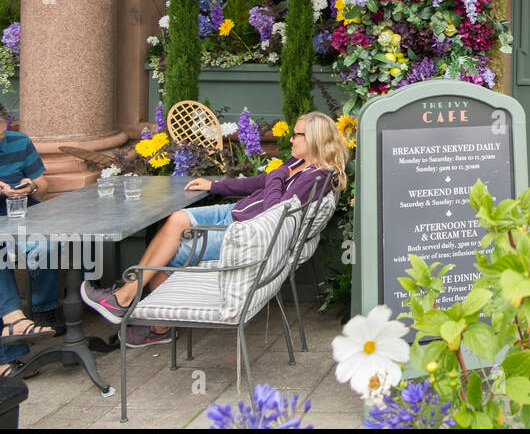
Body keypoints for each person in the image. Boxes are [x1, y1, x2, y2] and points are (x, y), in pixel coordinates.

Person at [80, 112, 348, 347]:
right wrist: (214, 186)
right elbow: (259, 183)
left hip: (240, 231)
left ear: (313, 138)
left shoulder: (316, 178)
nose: (291, 140)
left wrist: (276, 176)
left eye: (297, 135)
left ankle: (149, 318)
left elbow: (273, 212)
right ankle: (128, 298)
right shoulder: (297, 163)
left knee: (166, 257)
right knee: (176, 219)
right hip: (232, 213)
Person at [0, 107, 58, 378]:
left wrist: (30, 188)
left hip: (25, 213)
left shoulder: (19, 141)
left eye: (1, 133)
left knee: (49, 245)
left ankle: (44, 310)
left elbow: (42, 184)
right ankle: (13, 336)